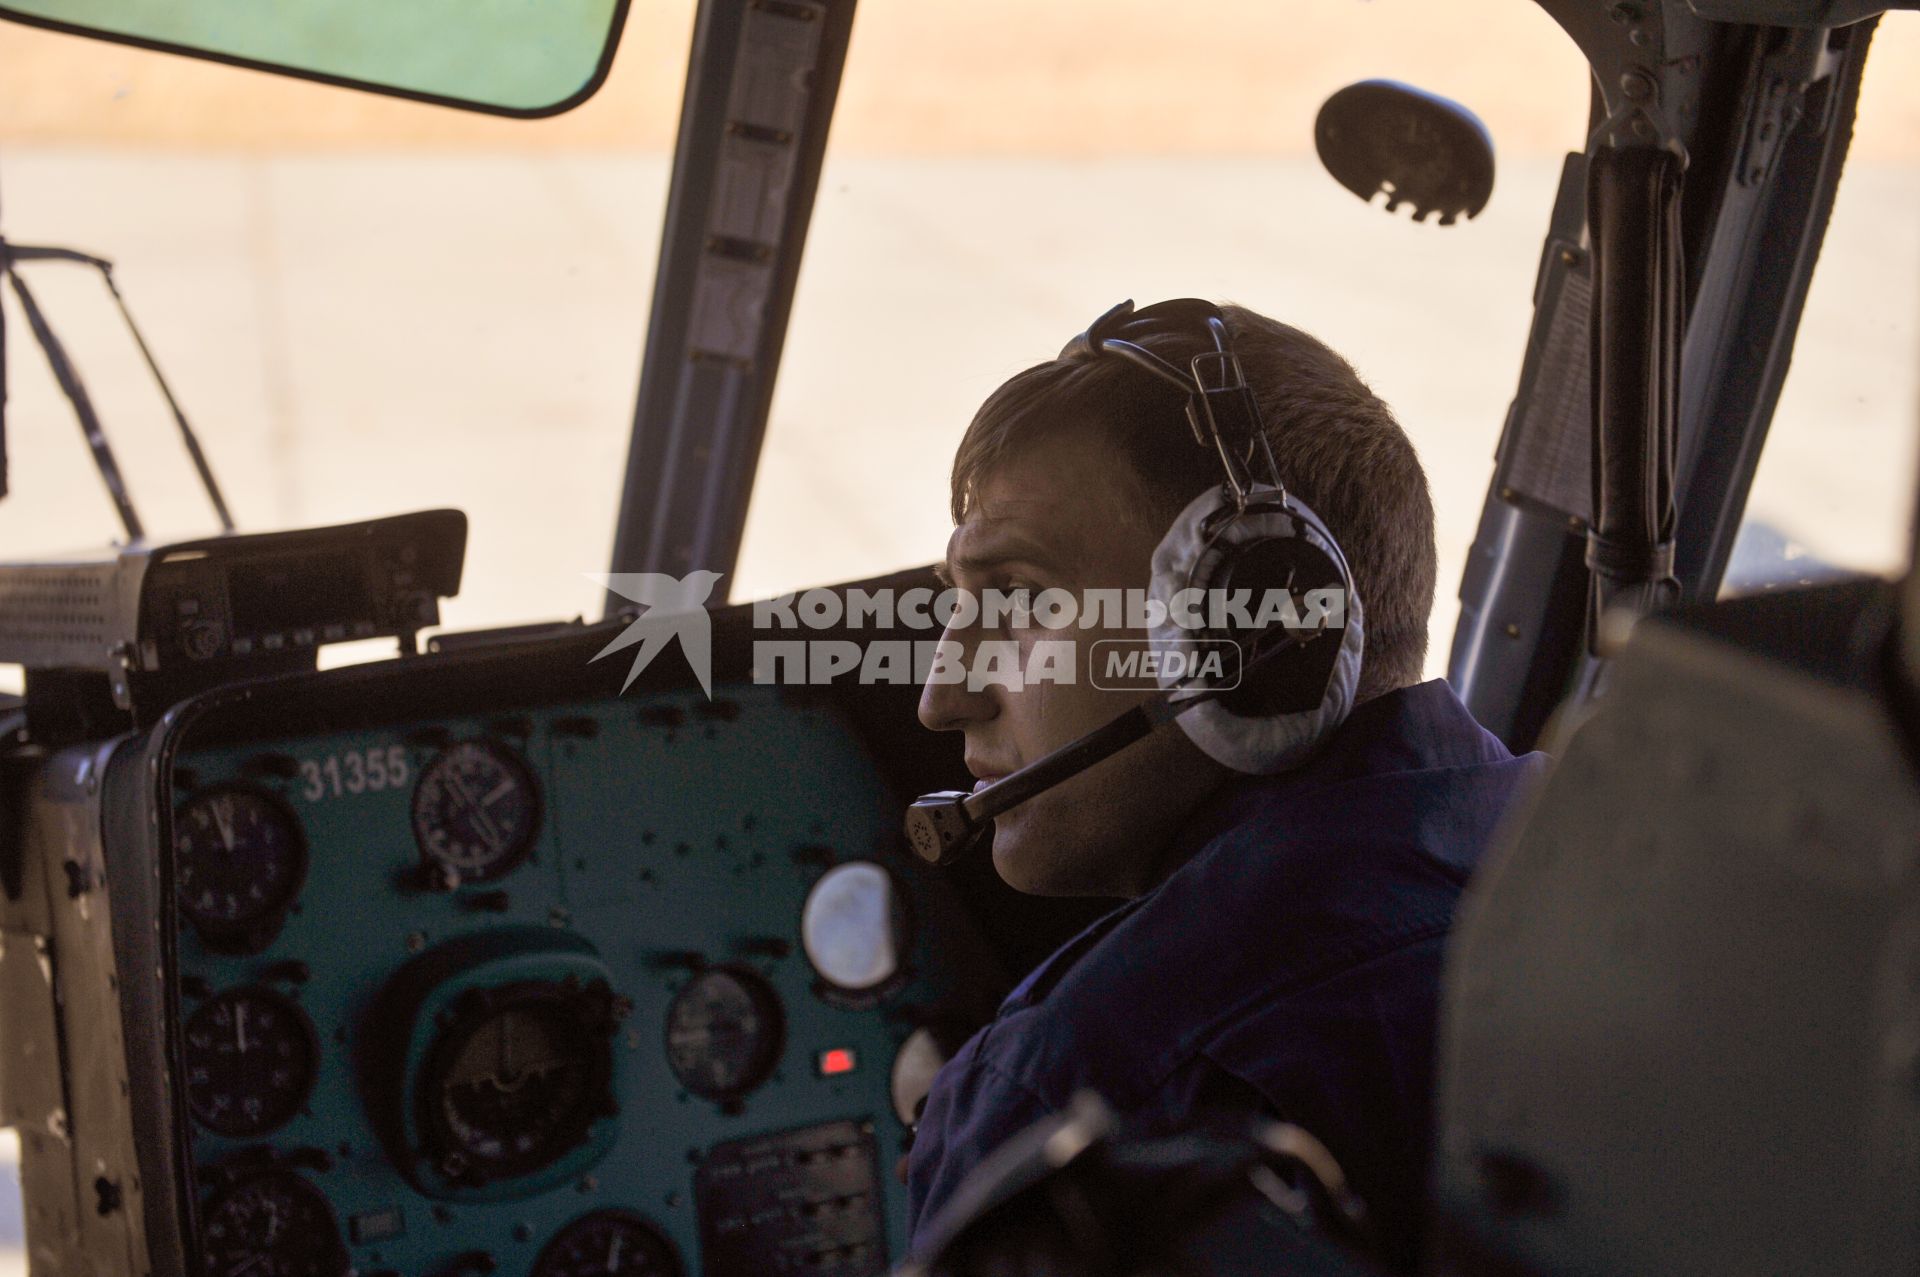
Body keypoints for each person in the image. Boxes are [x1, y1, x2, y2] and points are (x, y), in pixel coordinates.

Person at [906, 300, 1548, 1270]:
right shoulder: (1606, 877)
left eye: (1017, 599)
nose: (942, 695)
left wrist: (975, 1123)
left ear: (1252, 626)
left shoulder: (1083, 1110)